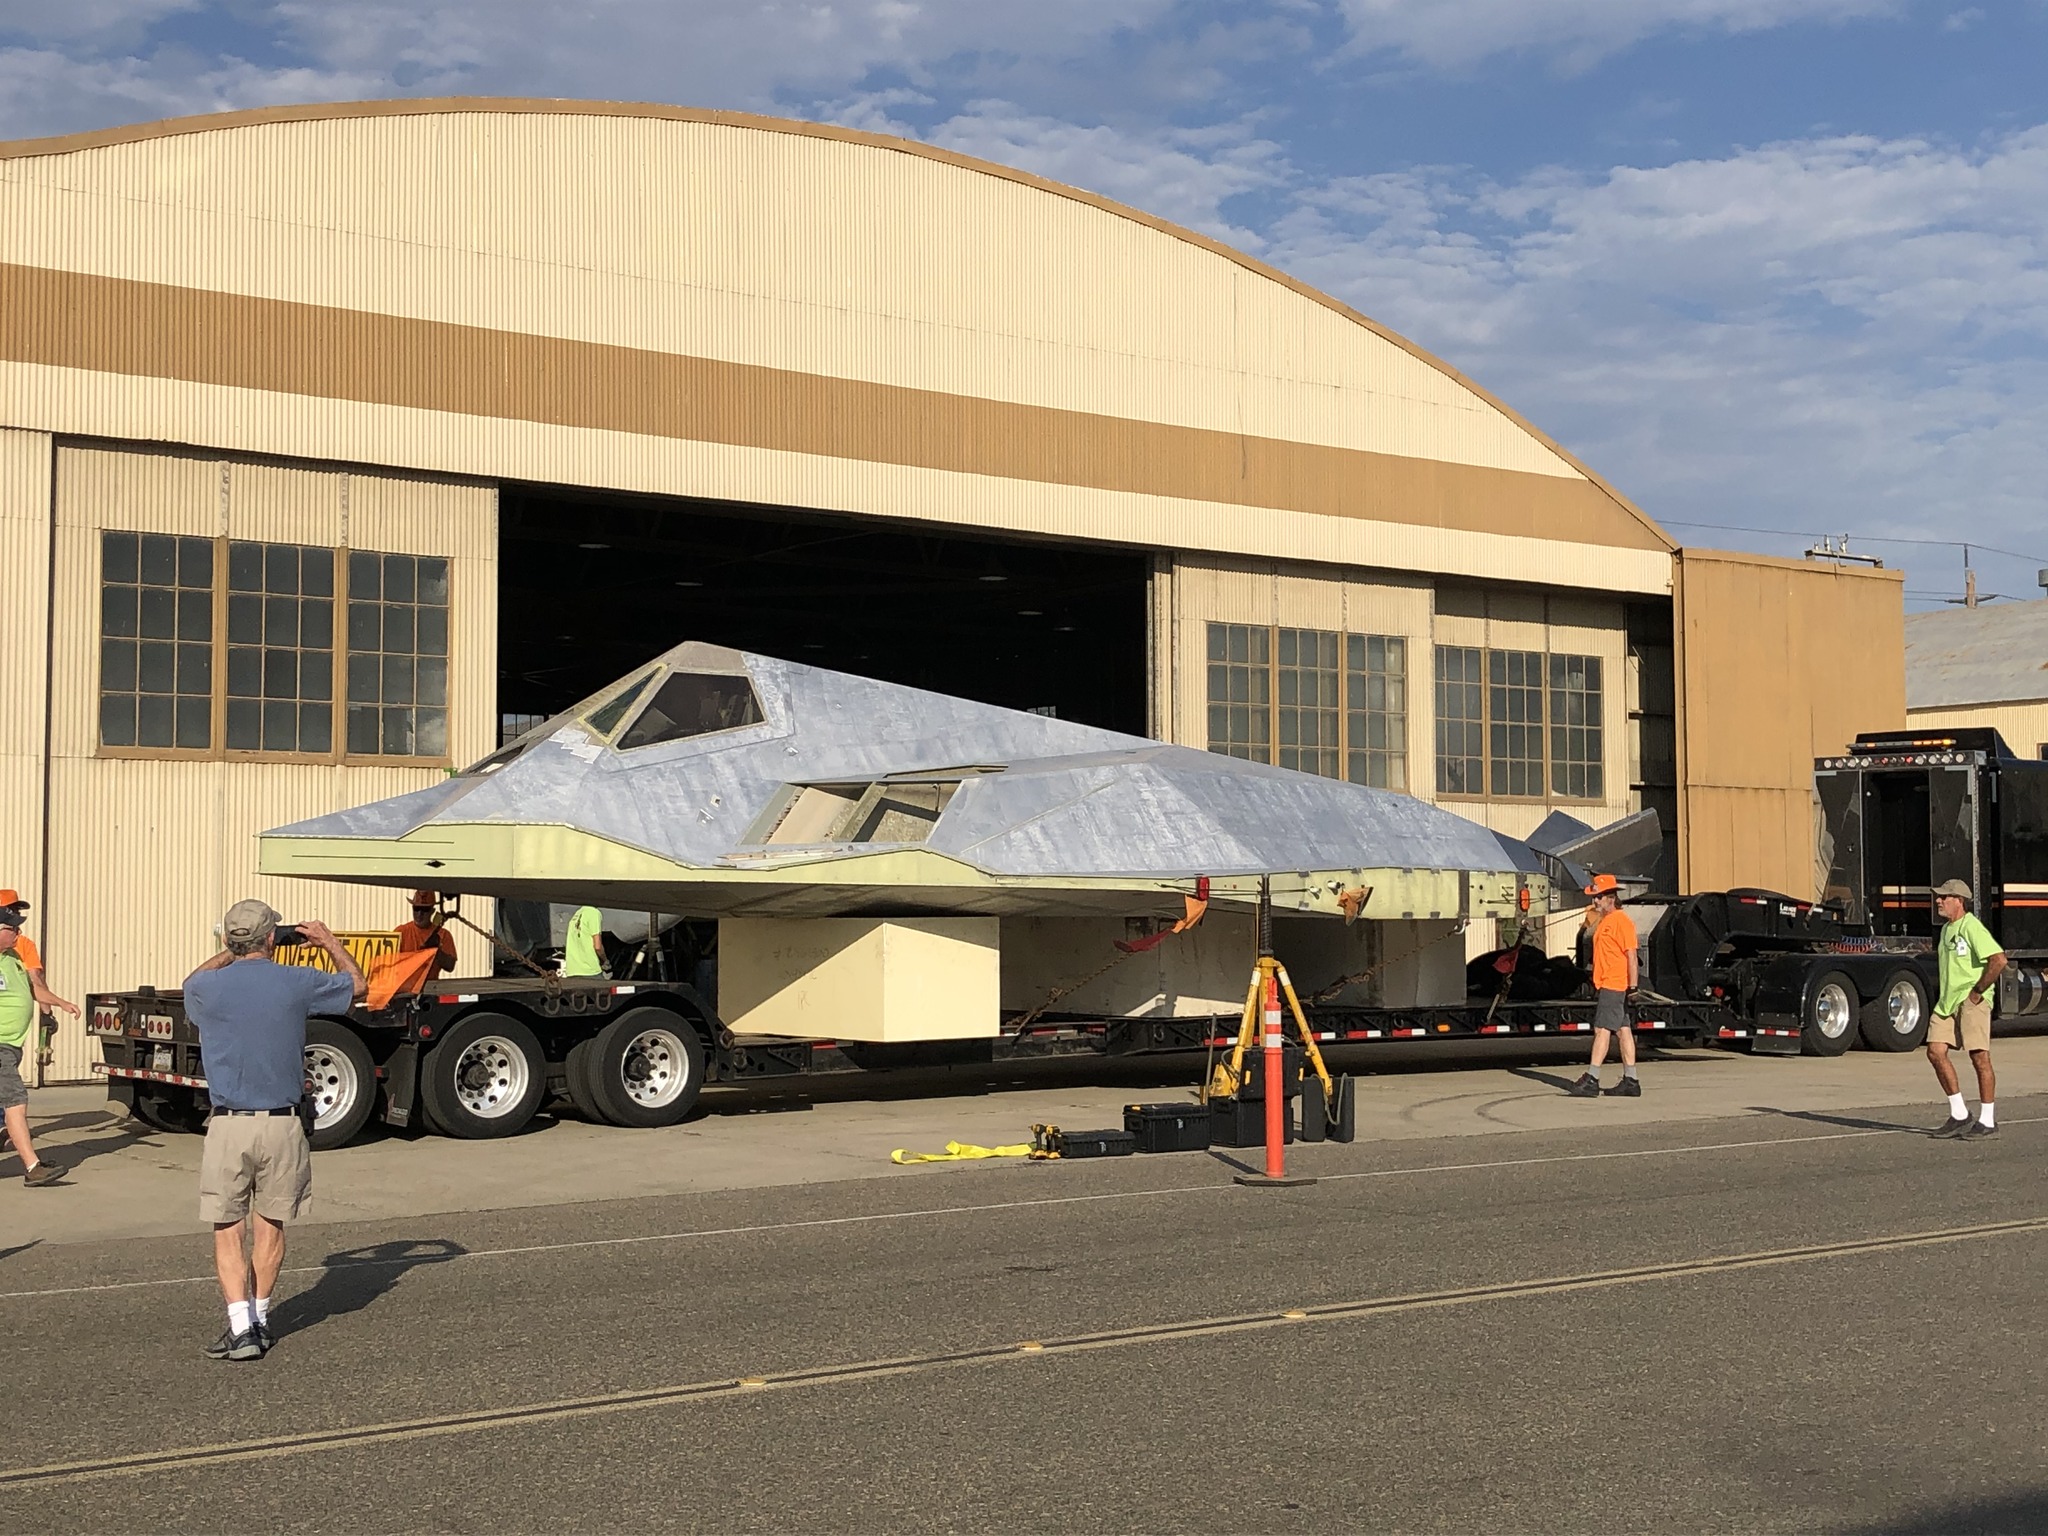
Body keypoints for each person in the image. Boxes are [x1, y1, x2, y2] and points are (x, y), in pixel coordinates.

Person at [184, 899, 366, 1361]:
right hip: (282, 1123)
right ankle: (262, 1317)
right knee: (271, 1225)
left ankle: (240, 1326)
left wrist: (232, 951)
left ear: (229, 940)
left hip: (228, 1125)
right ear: (272, 939)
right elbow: (359, 987)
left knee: (228, 1229)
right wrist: (329, 943)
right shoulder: (296, 981)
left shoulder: (208, 988)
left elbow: (191, 981)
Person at [1, 902, 80, 1186]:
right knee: (15, 1103)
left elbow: (33, 988)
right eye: (13, 928)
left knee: (11, 1104)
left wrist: (60, 1003)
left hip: (10, 1045)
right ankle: (33, 1167)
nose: (18, 933)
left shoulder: (12, 958)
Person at [1926, 878, 2006, 1140]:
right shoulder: (1947, 930)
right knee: (1935, 1052)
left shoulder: (1972, 927)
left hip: (1971, 1001)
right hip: (1947, 1002)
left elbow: (1998, 960)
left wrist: (1977, 992)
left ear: (1959, 901)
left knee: (1979, 1058)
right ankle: (1959, 1113)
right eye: (1939, 896)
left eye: (1945, 897)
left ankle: (1987, 1119)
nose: (1939, 901)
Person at [1567, 873, 1640, 1098]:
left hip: (1614, 985)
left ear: (1610, 897)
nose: (1595, 901)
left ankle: (1592, 1078)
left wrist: (1633, 986)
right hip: (1608, 983)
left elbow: (1631, 956)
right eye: (1594, 897)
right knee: (1623, 1030)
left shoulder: (1621, 921)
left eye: (1598, 897)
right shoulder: (1605, 921)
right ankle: (1631, 1080)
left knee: (1602, 1030)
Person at [394, 889, 458, 980]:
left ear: (432, 911)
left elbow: (450, 966)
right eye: (416, 908)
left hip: (429, 991)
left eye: (425, 910)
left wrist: (436, 952)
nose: (419, 914)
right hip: (404, 990)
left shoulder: (443, 935)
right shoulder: (401, 932)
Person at [560, 904, 607, 978]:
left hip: (572, 971)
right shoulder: (593, 912)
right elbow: (597, 946)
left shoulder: (577, 914)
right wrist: (605, 960)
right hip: (590, 971)